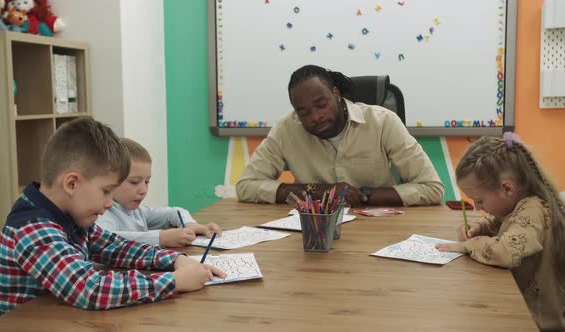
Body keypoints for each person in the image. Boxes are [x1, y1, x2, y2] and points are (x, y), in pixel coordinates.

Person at [0, 117, 226, 319]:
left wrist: (175, 260)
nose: (109, 203)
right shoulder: (34, 229)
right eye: (106, 191)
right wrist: (173, 281)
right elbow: (90, 289)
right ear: (72, 183)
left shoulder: (70, 218)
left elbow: (117, 247)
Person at [236, 64, 444, 207]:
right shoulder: (286, 129)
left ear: (336, 94)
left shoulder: (383, 122)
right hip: (315, 230)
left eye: (321, 104)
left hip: (379, 229)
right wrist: (319, 192)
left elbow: (432, 188)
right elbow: (246, 186)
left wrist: (363, 195)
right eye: (303, 112)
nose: (315, 116)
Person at [436, 134, 565, 331]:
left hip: (540, 322)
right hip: (523, 310)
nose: (478, 208)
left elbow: (507, 252)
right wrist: (481, 227)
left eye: (480, 200)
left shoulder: (533, 211)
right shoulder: (519, 205)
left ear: (507, 189)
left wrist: (469, 245)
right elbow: (503, 220)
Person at [96, 138, 222, 247]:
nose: (143, 190)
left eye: (147, 182)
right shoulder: (103, 215)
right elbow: (105, 240)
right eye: (134, 182)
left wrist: (189, 224)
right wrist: (161, 238)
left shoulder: (138, 212)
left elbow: (174, 212)